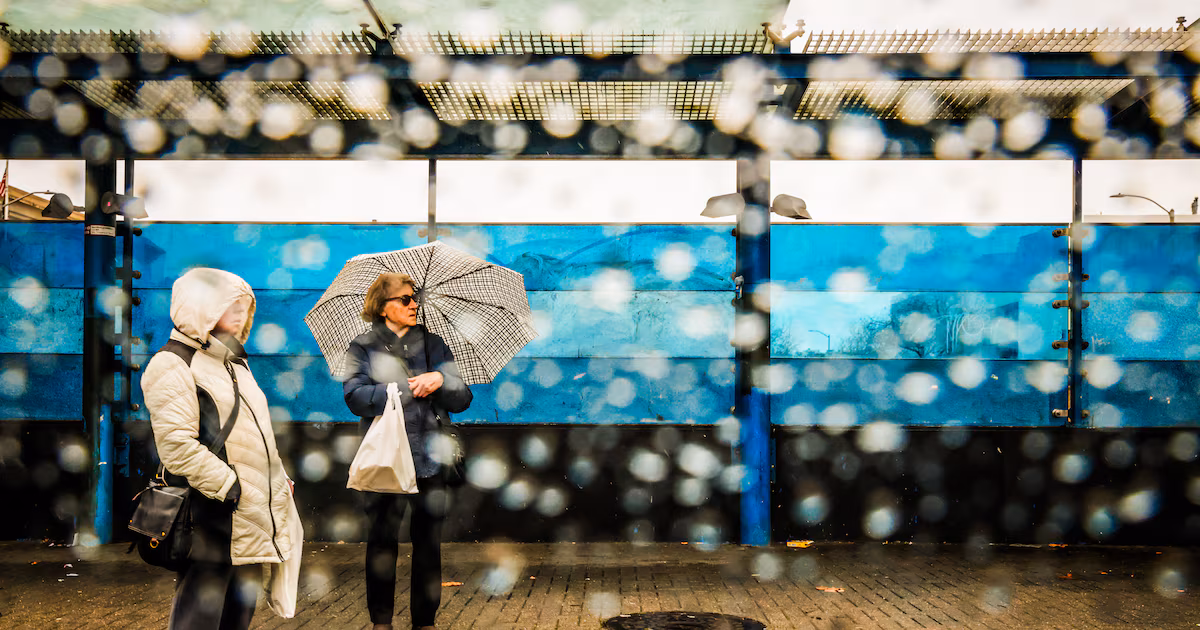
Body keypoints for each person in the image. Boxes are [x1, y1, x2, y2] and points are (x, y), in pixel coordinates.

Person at [141, 268, 298, 630]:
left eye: (246, 306)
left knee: (237, 614)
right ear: (201, 307)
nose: (242, 314)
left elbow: (255, 433)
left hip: (247, 515)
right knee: (199, 616)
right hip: (210, 516)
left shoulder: (235, 363)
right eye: (232, 305)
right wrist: (232, 487)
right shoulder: (172, 363)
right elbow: (177, 446)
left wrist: (277, 478)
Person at [343, 272, 473, 630]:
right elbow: (354, 398)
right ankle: (381, 622)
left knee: (429, 545)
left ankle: (425, 622)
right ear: (383, 307)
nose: (413, 303)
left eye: (414, 298)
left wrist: (442, 380)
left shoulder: (433, 344)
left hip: (430, 461)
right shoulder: (363, 347)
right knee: (382, 543)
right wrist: (403, 389)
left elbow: (463, 398)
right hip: (386, 459)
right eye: (404, 299)